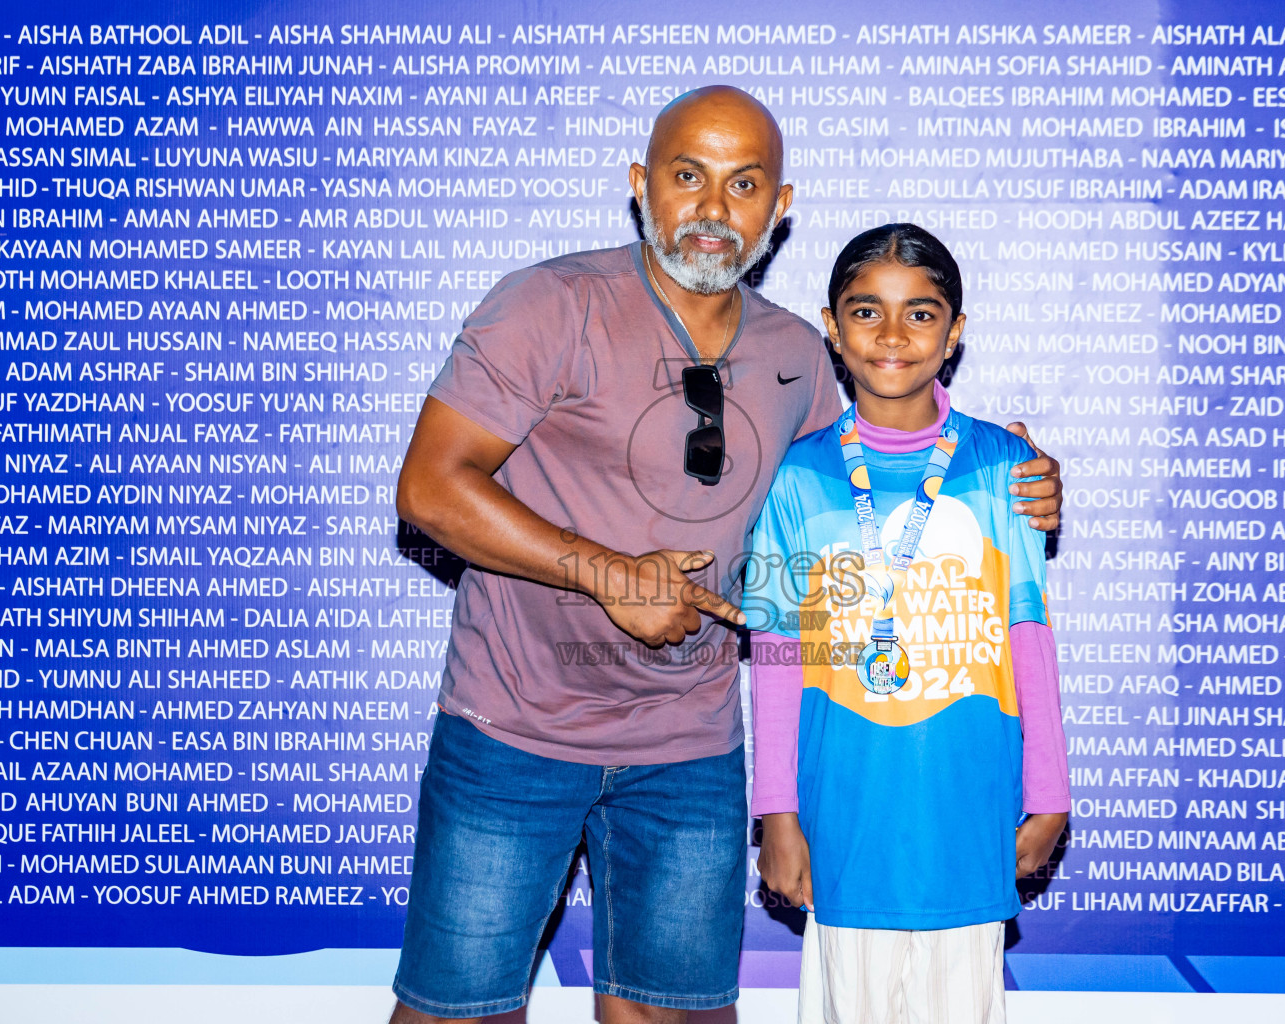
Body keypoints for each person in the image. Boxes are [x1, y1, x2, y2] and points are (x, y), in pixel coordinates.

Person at [391, 87, 1064, 1024]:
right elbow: (427, 489)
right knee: (454, 1014)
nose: (713, 209)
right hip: (515, 730)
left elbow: (873, 486)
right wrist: (607, 573)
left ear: (778, 208)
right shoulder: (549, 304)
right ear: (642, 187)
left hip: (691, 747)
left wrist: (1015, 469)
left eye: (743, 184)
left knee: (672, 1014)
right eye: (687, 177)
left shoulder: (797, 353)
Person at [747, 224, 1071, 1024]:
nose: (893, 336)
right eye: (867, 312)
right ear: (832, 325)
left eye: (920, 315)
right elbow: (779, 651)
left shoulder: (1003, 466)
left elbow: (1028, 634)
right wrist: (778, 814)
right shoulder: (798, 475)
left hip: (967, 802)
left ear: (954, 333)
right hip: (844, 811)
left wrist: (1051, 792)